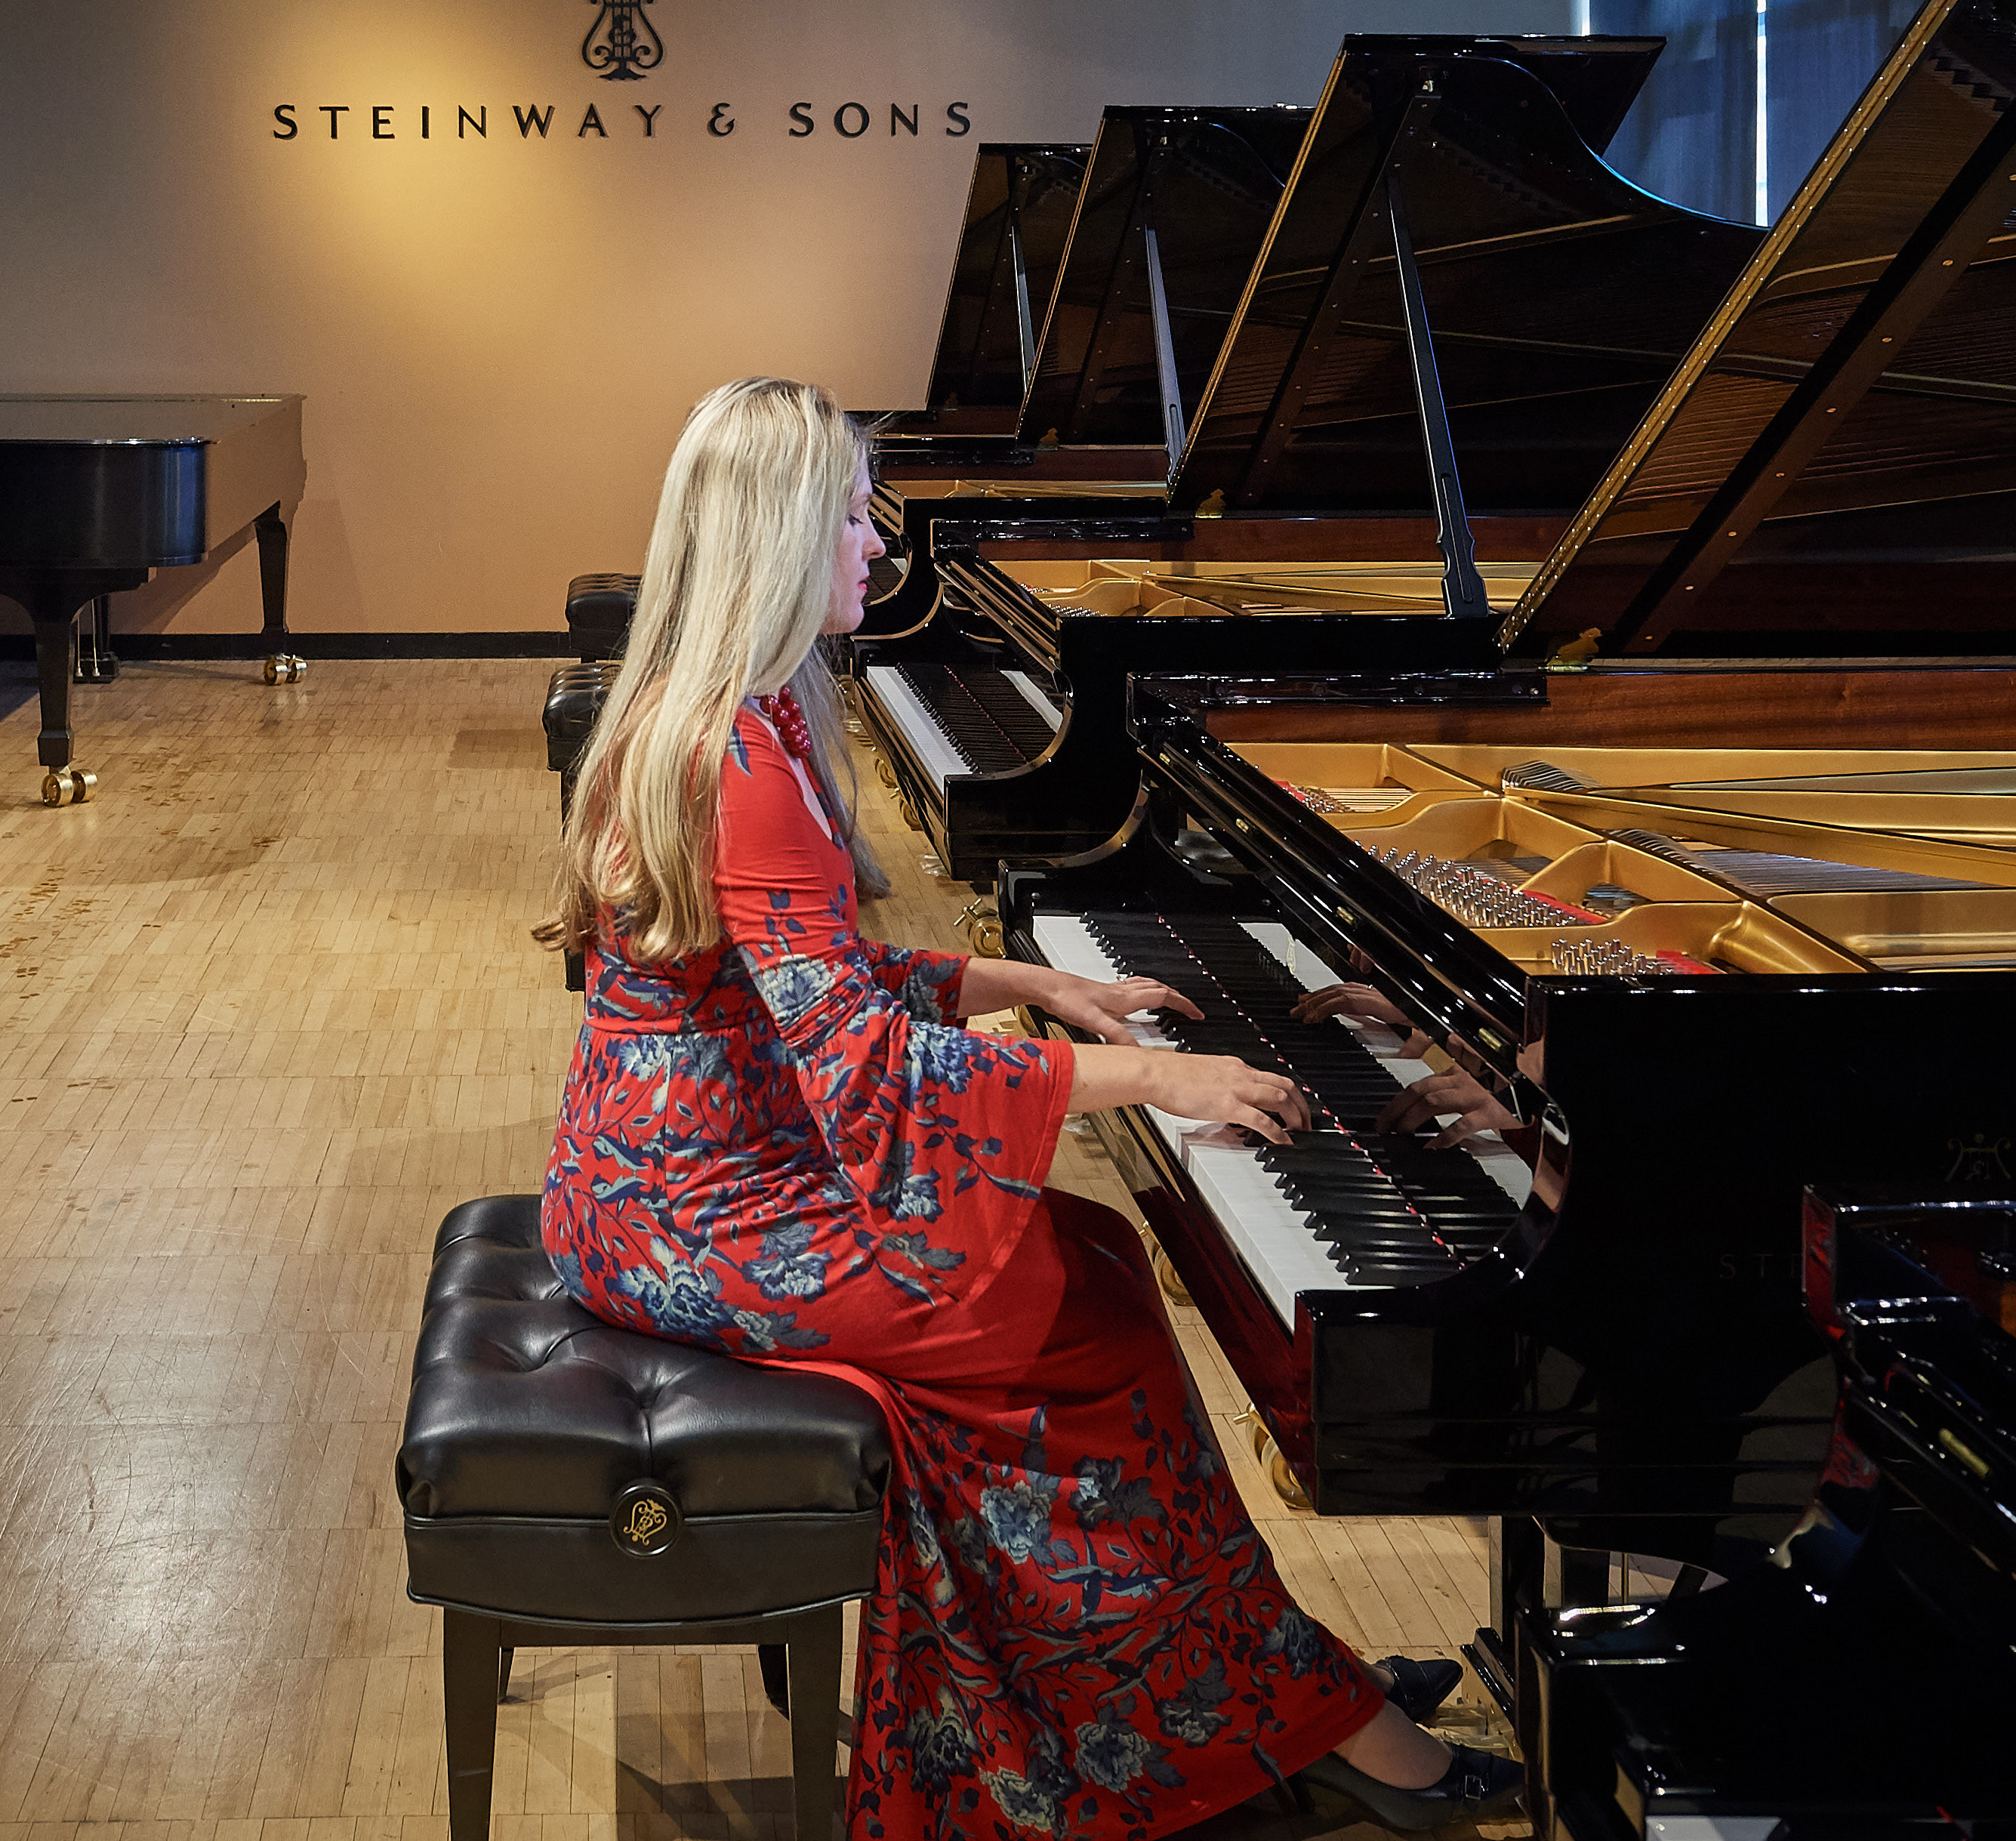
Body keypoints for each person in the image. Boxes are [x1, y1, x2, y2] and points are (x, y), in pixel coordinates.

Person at [538, 378, 1525, 1839]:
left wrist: (1037, 985)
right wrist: (1152, 1071)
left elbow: (823, 972)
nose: (877, 545)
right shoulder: (732, 758)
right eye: (853, 518)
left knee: (1097, 1266)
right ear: (779, 532)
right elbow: (866, 1067)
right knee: (1069, 1311)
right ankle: (1252, 1716)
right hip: (695, 1210)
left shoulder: (730, 713)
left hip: (674, 1174)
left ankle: (1249, 1686)